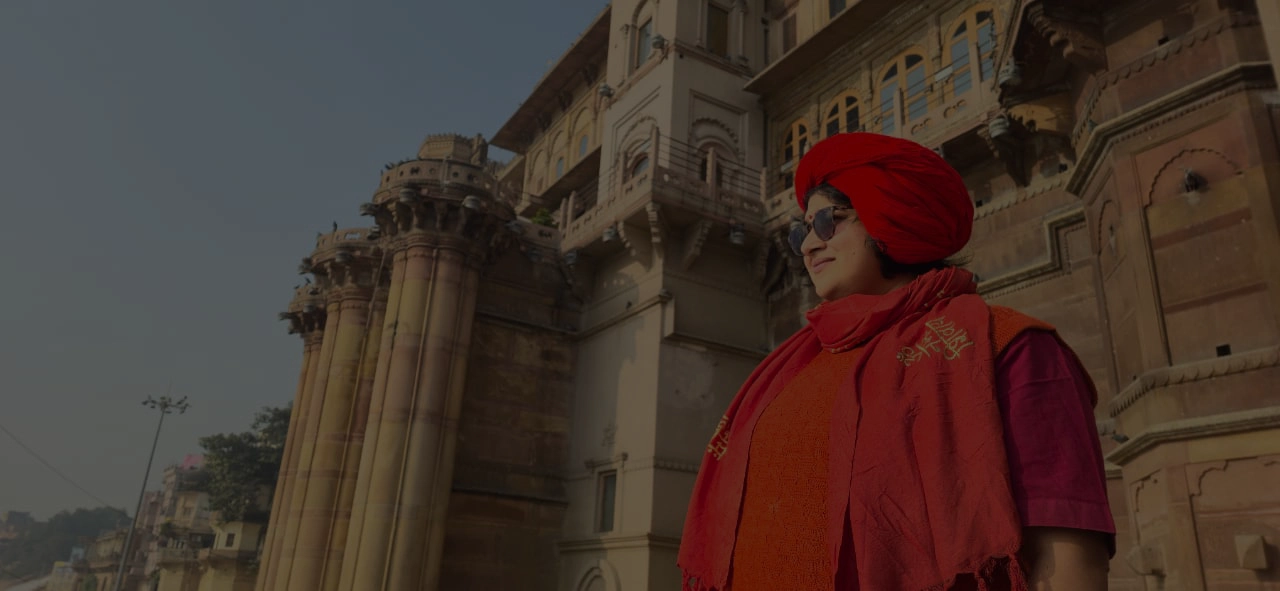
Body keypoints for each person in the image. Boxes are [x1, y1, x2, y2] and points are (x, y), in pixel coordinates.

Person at [678, 132, 1115, 591]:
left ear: (893, 216)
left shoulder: (1008, 347)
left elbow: (1067, 558)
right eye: (801, 231)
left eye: (828, 222)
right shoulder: (789, 368)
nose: (808, 246)